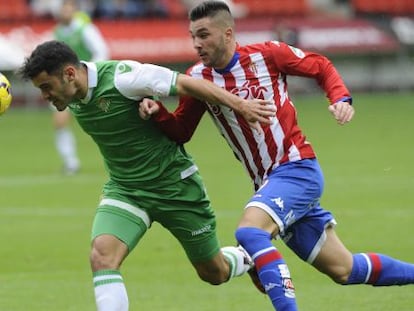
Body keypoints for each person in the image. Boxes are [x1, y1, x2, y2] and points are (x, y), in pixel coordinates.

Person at [138, 1, 414, 310]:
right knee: (345, 269)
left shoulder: (267, 55)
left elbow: (320, 65)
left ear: (228, 33)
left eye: (204, 35)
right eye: (192, 36)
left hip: (297, 169)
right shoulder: (197, 78)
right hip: (270, 184)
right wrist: (157, 113)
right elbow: (182, 131)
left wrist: (339, 97)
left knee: (250, 232)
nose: (196, 44)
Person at [18, 40, 276, 311]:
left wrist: (241, 105)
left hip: (175, 187)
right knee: (102, 256)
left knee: (214, 272)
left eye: (47, 87)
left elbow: (187, 84)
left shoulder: (123, 77)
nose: (45, 96)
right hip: (126, 190)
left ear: (70, 74)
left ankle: (247, 256)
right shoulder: (71, 95)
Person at [53, 0, 109, 175]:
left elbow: (102, 51)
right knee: (60, 121)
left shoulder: (85, 29)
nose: (66, 12)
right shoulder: (57, 32)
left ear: (74, 10)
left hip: (87, 83)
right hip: (64, 85)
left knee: (102, 122)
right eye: (63, 9)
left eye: (69, 8)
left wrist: (88, 72)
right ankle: (71, 162)